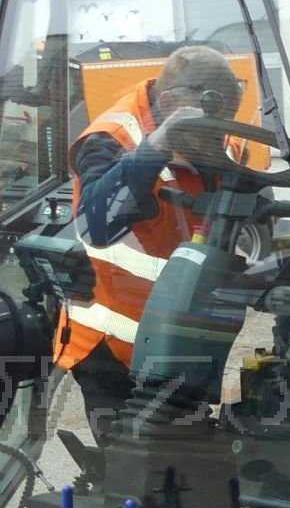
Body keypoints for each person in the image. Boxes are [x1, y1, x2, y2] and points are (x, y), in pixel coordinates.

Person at [55, 46, 254, 418]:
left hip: (180, 338)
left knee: (187, 445)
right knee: (132, 450)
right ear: (168, 104)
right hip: (111, 348)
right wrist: (158, 146)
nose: (217, 138)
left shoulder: (214, 133)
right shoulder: (111, 138)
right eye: (209, 128)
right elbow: (96, 226)